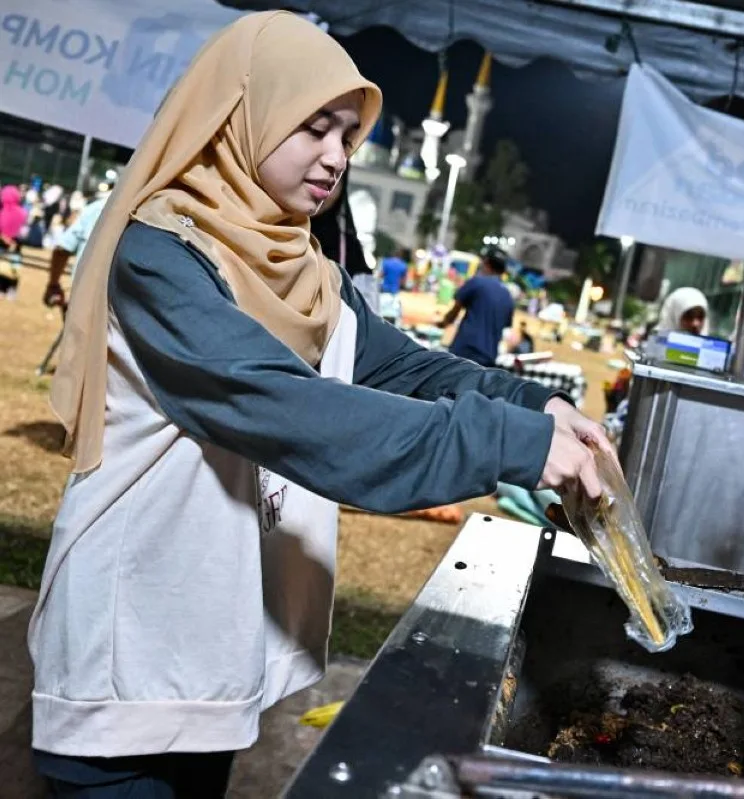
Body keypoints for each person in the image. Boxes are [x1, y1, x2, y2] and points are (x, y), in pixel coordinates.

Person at [30, 13, 611, 797]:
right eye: (316, 127)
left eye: (349, 134)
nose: (338, 157)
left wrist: (541, 403)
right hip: (126, 656)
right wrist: (506, 443)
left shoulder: (308, 275)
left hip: (206, 658)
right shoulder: (160, 255)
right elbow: (284, 408)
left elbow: (409, 370)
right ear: (246, 113)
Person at [310, 162, 377, 313]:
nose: (320, 188)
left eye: (333, 179)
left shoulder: (350, 251)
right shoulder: (265, 232)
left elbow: (366, 321)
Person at [438, 252, 514, 367]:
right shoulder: (508, 295)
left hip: (466, 351)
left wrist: (442, 324)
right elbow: (505, 326)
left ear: (487, 264)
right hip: (489, 358)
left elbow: (454, 312)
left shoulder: (477, 282)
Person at [43, 191, 112, 308]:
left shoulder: (99, 207)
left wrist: (53, 285)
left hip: (84, 300)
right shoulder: (149, 212)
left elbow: (62, 249)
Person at [378, 247, 409, 325]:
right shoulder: (403, 265)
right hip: (395, 292)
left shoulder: (386, 262)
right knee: (395, 313)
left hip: (384, 290)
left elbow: (381, 275)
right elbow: (403, 280)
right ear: (400, 256)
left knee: (381, 312)